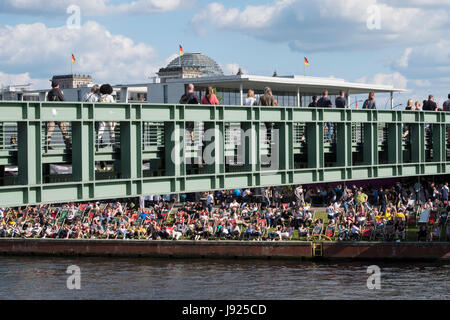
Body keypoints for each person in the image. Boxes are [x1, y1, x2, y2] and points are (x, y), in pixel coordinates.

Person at [46, 80, 71, 149]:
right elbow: (64, 101)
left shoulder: (49, 92)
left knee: (50, 130)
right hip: (59, 113)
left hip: (51, 113)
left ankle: (46, 145)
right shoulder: (58, 91)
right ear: (58, 85)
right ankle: (68, 145)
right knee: (64, 129)